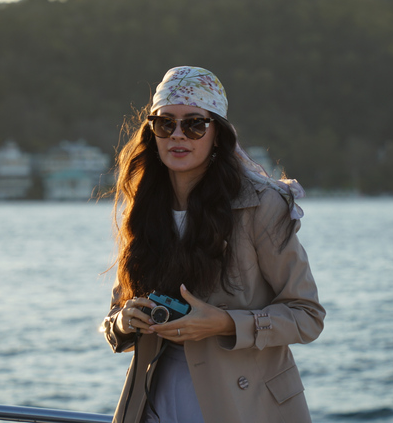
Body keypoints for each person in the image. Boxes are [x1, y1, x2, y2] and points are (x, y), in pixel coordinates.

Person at [102, 66, 325, 423]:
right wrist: (125, 321)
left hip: (245, 403)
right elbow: (116, 314)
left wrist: (224, 323)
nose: (178, 135)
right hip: (153, 398)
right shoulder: (143, 209)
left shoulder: (261, 206)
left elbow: (308, 316)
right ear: (152, 132)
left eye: (194, 124)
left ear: (217, 134)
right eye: (165, 124)